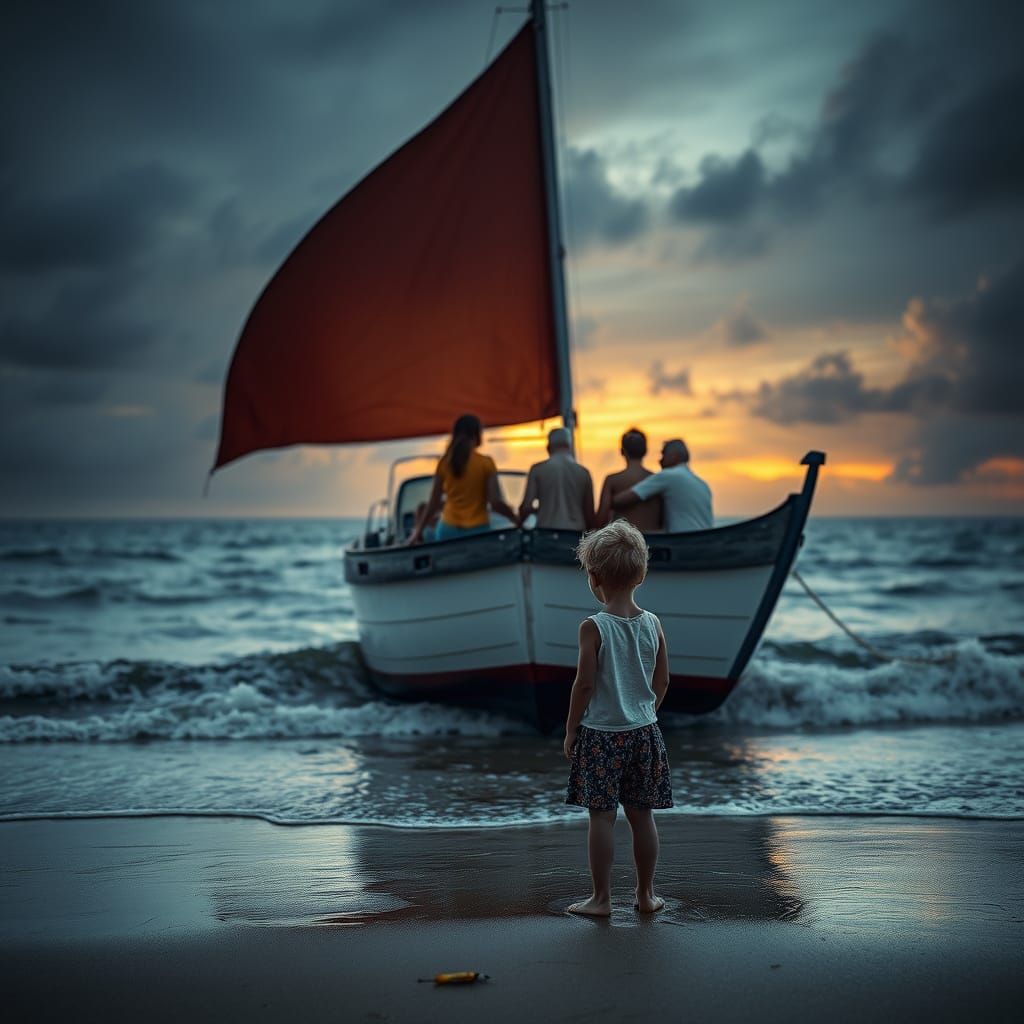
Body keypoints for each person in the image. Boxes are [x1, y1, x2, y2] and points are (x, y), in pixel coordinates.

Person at [563, 519, 672, 917]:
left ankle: (601, 899)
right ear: (641, 574)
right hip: (645, 732)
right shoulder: (653, 623)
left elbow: (584, 685)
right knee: (642, 817)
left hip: (601, 735)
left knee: (602, 818)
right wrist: (645, 712)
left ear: (594, 578)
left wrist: (571, 727)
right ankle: (646, 895)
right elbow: (662, 680)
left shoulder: (593, 627)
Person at [407, 413, 519, 543]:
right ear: (477, 435)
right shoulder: (486, 463)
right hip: (477, 532)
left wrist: (417, 533)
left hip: (447, 531)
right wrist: (515, 519)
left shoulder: (445, 463)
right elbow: (495, 503)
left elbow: (433, 504)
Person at [611, 437, 712, 533]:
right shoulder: (702, 484)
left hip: (682, 540)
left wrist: (609, 499)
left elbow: (625, 498)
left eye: (663, 455)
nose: (660, 460)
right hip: (704, 541)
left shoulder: (668, 476)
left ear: (674, 456)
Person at [518, 427, 595, 531]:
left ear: (548, 448)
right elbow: (589, 515)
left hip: (546, 533)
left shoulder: (538, 470)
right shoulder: (584, 473)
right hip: (576, 534)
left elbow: (526, 507)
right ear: (570, 446)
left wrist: (518, 524)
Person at [596, 427, 662, 531]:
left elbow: (600, 520)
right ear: (645, 451)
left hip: (625, 542)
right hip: (653, 542)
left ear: (622, 451)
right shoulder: (657, 480)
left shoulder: (612, 480)